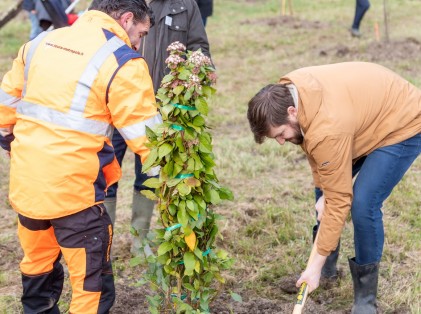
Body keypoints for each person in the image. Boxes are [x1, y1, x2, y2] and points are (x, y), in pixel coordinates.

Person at [0, 0, 161, 312]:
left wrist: (15, 147)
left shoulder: (40, 42)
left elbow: (5, 109)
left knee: (37, 269)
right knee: (92, 288)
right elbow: (149, 141)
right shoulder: (122, 60)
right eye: (140, 34)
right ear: (126, 19)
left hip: (28, 185)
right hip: (77, 196)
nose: (138, 43)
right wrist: (180, 174)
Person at [247, 62, 421, 313]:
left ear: (292, 111)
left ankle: (364, 298)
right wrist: (324, 192)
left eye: (280, 134)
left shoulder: (327, 129)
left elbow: (338, 198)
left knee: (363, 203)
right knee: (326, 187)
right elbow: (315, 152)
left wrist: (329, 198)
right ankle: (325, 265)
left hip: (402, 122)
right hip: (358, 118)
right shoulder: (291, 91)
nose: (282, 142)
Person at [103, 0, 212, 255]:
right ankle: (102, 240)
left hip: (158, 106)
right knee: (105, 171)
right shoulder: (111, 3)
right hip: (114, 103)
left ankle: (139, 240)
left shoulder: (184, 5)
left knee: (149, 172)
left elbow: (199, 47)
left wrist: (198, 70)